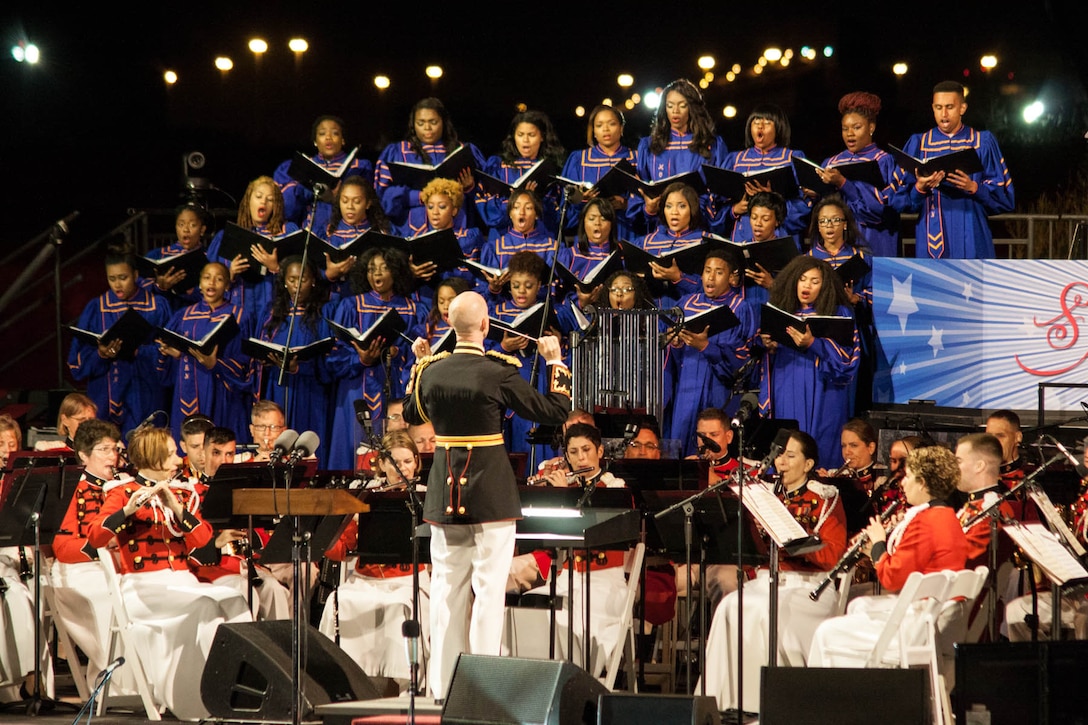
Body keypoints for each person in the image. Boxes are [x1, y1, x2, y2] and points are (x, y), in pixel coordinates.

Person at [404, 290, 571, 701]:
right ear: (485, 326)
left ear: (449, 325)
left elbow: (411, 414)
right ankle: (482, 690)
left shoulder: (432, 371)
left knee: (446, 591)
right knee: (489, 590)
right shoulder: (498, 371)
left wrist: (419, 364)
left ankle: (443, 688)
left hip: (444, 490)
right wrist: (555, 362)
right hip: (491, 493)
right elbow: (554, 411)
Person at [86, 425, 251, 721]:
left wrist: (177, 509)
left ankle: (240, 691)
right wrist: (125, 512)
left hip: (182, 581)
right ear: (154, 457)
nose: (179, 461)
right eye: (172, 454)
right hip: (142, 587)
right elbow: (96, 538)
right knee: (205, 606)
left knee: (235, 599)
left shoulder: (181, 494)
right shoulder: (120, 492)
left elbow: (203, 540)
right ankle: (206, 698)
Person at [700, 430, 847, 714]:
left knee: (763, 612)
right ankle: (720, 703)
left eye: (790, 456)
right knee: (730, 607)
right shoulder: (765, 494)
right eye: (780, 455)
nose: (781, 462)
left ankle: (761, 706)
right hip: (767, 581)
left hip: (809, 587)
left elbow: (832, 555)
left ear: (808, 464)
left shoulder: (826, 497)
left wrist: (798, 543)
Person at [808, 444, 968, 681]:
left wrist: (878, 546)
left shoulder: (926, 522)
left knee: (825, 631)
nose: (903, 484)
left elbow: (891, 578)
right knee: (858, 606)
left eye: (909, 477)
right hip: (934, 619)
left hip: (916, 628)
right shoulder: (948, 517)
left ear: (923, 483)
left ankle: (821, 707)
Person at [515, 423, 631, 674]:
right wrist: (554, 497)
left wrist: (565, 496)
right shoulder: (562, 486)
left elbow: (601, 531)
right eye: (574, 452)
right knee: (532, 608)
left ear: (599, 452)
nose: (581, 458)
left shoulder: (614, 488)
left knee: (577, 617)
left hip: (604, 582)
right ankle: (540, 678)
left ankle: (576, 678)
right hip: (568, 577)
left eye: (586, 450)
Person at [319, 430, 430, 688]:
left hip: (408, 579)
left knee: (403, 606)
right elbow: (338, 550)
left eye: (407, 462)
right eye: (393, 462)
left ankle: (409, 685)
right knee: (339, 600)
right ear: (381, 464)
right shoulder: (364, 494)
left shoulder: (426, 496)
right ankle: (343, 681)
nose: (400, 468)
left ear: (417, 463)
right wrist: (347, 525)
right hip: (364, 578)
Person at [50, 420, 135, 695]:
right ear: (84, 455)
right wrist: (100, 546)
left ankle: (145, 681)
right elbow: (62, 547)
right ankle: (115, 685)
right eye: (103, 450)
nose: (113, 456)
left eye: (115, 449)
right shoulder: (70, 488)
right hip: (79, 571)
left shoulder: (125, 485)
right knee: (107, 596)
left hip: (119, 567)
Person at [326, 246, 424, 471]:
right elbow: (335, 355)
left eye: (383, 268)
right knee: (352, 448)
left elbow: (417, 354)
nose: (376, 274)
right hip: (356, 387)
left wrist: (399, 354)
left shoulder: (412, 309)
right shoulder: (351, 306)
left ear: (396, 271)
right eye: (371, 269)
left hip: (395, 387)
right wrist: (361, 358)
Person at [757, 255, 859, 468]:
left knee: (822, 445)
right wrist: (769, 344)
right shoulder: (782, 311)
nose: (807, 286)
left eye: (815, 281)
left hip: (824, 388)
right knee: (789, 441)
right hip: (786, 383)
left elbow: (848, 362)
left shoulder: (839, 314)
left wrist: (813, 342)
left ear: (825, 286)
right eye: (802, 279)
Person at [897, 80, 1015, 259]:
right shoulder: (920, 144)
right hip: (931, 235)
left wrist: (975, 188)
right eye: (938, 107)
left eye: (950, 107)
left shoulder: (981, 142)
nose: (944, 114)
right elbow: (898, 198)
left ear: (962, 108)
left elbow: (1005, 197)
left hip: (972, 232)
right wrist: (920, 188)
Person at [663, 248, 755, 456]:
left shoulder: (740, 308)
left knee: (715, 445)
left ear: (732, 277)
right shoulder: (686, 304)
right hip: (687, 388)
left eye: (719, 272)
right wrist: (675, 343)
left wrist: (706, 347)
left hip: (720, 389)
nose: (711, 278)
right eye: (707, 271)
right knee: (683, 448)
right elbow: (674, 360)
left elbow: (742, 358)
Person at [156, 262, 253, 444]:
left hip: (222, 393)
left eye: (219, 279)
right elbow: (164, 363)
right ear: (200, 283)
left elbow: (246, 363)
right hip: (186, 390)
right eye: (207, 278)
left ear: (227, 285)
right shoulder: (183, 316)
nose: (212, 283)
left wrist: (215, 364)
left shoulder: (240, 317)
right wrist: (172, 354)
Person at [252, 255, 333, 465]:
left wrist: (299, 367)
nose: (296, 285)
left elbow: (327, 358)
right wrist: (265, 359)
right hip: (277, 385)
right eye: (292, 280)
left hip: (308, 389)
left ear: (313, 281)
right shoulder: (271, 313)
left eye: (302, 279)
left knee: (305, 439)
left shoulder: (322, 313)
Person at [812, 91, 906, 257]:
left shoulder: (884, 161)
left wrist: (843, 183)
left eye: (856, 128)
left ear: (871, 127)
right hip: (838, 242)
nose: (850, 134)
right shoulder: (831, 163)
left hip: (875, 240)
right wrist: (815, 192)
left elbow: (882, 210)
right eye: (845, 129)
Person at [373, 97, 486, 234]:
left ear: (443, 122)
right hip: (409, 230)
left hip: (457, 230)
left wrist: (470, 188)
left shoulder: (462, 151)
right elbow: (383, 196)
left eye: (433, 122)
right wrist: (420, 196)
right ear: (412, 124)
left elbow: (486, 195)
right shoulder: (397, 152)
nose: (427, 128)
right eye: (420, 123)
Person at [634, 79, 728, 232]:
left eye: (682, 105)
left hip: (701, 224)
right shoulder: (649, 146)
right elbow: (641, 192)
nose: (675, 111)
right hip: (661, 226)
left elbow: (722, 191)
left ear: (692, 108)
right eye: (670, 106)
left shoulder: (712, 144)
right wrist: (649, 208)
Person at [206, 175, 301, 320]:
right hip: (238, 308)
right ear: (248, 201)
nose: (263, 201)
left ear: (276, 206)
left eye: (270, 199)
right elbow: (208, 279)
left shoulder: (287, 233)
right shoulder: (227, 236)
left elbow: (302, 275)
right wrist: (230, 273)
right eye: (258, 196)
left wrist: (276, 267)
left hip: (273, 309)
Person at [718, 103, 810, 240]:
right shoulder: (734, 160)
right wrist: (734, 210)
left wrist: (773, 200)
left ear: (778, 128)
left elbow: (805, 205)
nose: (760, 126)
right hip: (742, 234)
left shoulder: (792, 158)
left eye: (767, 122)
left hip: (781, 235)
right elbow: (716, 205)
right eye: (756, 122)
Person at [274, 114, 374, 231]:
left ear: (343, 140)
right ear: (315, 141)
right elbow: (288, 210)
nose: (328, 137)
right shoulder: (304, 166)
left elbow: (370, 204)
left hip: (346, 231)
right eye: (322, 134)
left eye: (335, 133)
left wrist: (338, 197)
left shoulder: (359, 167)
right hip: (312, 230)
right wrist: (307, 189)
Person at [476, 109, 566, 236]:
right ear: (513, 136)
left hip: (541, 238)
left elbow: (559, 218)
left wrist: (535, 201)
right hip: (503, 236)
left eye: (531, 135)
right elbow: (488, 212)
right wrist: (513, 202)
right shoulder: (498, 166)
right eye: (520, 134)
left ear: (542, 137)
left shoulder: (551, 170)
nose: (525, 140)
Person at [560, 104, 639, 240]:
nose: (606, 129)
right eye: (599, 125)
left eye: (612, 124)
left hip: (626, 231)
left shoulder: (637, 158)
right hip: (589, 234)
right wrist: (583, 201)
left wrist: (626, 204)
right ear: (594, 131)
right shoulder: (579, 160)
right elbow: (565, 207)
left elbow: (649, 201)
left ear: (621, 128)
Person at [320, 176, 392, 300]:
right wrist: (329, 274)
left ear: (368, 203)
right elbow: (311, 273)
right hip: (338, 298)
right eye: (345, 201)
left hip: (374, 299)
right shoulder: (327, 233)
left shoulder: (380, 233)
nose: (350, 207)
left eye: (357, 201)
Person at [144, 202, 211, 306]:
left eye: (192, 225)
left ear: (202, 230)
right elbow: (140, 287)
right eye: (181, 224)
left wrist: (191, 291)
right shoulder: (157, 255)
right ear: (176, 227)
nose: (186, 230)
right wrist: (160, 286)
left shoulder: (210, 257)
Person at [478, 188, 558, 274]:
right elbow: (483, 284)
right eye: (516, 207)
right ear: (510, 214)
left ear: (536, 215)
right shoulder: (494, 248)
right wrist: (493, 287)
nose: (522, 212)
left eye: (528, 208)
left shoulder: (551, 247)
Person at [178, 414, 214, 480]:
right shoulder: (174, 475)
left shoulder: (227, 471)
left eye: (206, 445)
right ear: (184, 447)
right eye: (195, 446)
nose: (202, 453)